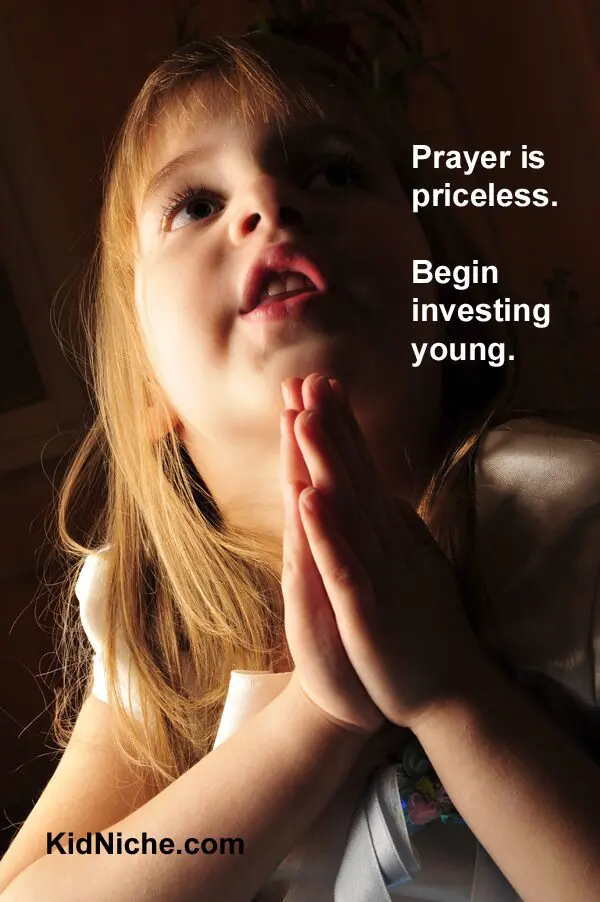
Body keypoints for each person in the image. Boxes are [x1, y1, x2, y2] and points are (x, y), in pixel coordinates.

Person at [1, 30, 599, 902]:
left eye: (336, 174)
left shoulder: (568, 512)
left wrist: (450, 694)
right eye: (196, 203)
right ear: (146, 392)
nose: (267, 203)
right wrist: (318, 716)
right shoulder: (155, 613)